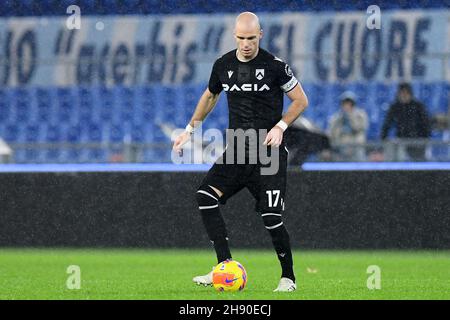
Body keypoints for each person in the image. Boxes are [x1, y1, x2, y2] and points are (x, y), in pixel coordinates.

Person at [173, 12, 308, 292]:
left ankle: (288, 278)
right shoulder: (223, 65)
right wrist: (190, 129)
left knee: (271, 218)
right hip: (237, 148)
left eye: (250, 37)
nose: (245, 44)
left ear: (260, 34)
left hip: (268, 153)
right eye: (240, 38)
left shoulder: (274, 66)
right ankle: (224, 267)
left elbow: (300, 100)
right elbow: (210, 96)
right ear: (234, 36)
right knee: (205, 196)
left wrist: (281, 126)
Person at [381, 83, 431, 160]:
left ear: (410, 94)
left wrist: (425, 138)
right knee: (398, 159)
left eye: (406, 93)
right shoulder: (395, 107)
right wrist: (383, 137)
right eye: (401, 93)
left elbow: (426, 123)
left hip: (417, 140)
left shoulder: (418, 106)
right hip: (401, 140)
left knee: (418, 163)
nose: (403, 95)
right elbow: (387, 123)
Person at [328, 92, 368, 161]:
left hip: (356, 147)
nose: (347, 106)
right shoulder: (336, 118)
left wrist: (350, 116)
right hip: (341, 148)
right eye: (345, 104)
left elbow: (358, 128)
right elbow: (332, 133)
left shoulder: (360, 115)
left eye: (349, 104)